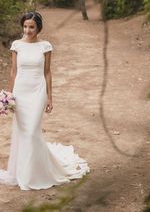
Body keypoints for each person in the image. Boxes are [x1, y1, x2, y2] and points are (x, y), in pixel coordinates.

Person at [7, 11, 89, 190]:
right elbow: (13, 72)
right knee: (24, 133)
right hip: (20, 92)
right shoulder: (16, 45)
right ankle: (25, 172)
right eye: (25, 26)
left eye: (32, 27)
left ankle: (32, 176)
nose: (28, 30)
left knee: (31, 131)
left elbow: (47, 72)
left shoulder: (45, 46)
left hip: (37, 92)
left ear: (38, 28)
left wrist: (49, 97)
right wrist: (8, 95)